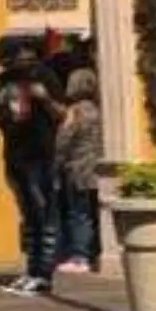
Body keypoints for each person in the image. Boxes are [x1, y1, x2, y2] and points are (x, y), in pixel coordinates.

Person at [0, 42, 66, 297]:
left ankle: (43, 275)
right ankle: (31, 270)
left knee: (44, 212)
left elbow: (62, 113)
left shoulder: (44, 75)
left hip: (41, 153)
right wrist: (1, 108)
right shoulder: (2, 81)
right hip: (14, 153)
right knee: (29, 215)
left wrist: (43, 97)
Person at [55, 68, 104, 274]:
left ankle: (79, 257)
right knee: (94, 213)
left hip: (78, 170)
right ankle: (94, 253)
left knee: (79, 214)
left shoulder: (74, 111)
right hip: (98, 169)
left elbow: (63, 141)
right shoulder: (100, 110)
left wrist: (55, 163)